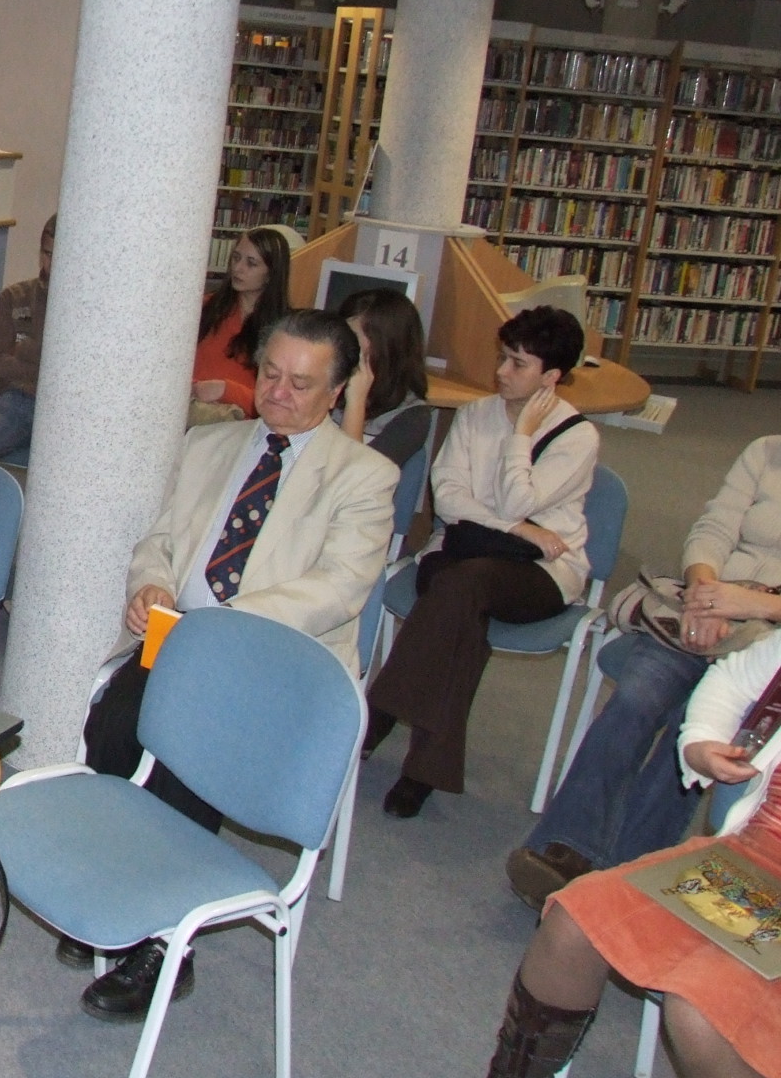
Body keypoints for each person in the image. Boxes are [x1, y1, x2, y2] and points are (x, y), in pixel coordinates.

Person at [69, 309, 397, 1018]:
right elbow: (159, 541)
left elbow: (340, 588)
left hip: (273, 659)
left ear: (337, 391)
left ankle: (166, 942)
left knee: (191, 757)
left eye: (301, 384)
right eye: (270, 374)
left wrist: (221, 627)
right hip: (179, 637)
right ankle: (118, 885)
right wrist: (150, 586)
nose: (277, 393)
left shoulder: (366, 477)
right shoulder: (209, 443)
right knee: (112, 728)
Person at [482, 630, 781, 1078]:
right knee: (575, 921)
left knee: (701, 1015)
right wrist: (701, 740)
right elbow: (733, 678)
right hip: (750, 857)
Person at [507, 436, 781, 911]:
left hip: (768, 646)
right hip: (704, 612)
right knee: (637, 696)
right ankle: (566, 847)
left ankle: (628, 875)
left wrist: (755, 604)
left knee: (693, 728)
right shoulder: (768, 451)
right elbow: (714, 529)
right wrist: (703, 595)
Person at [366, 305, 598, 819]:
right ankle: (425, 766)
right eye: (503, 357)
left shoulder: (577, 436)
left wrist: (522, 436)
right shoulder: (475, 415)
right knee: (460, 613)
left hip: (542, 572)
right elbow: (448, 499)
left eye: (518, 364)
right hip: (462, 553)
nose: (501, 371)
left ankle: (380, 710)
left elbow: (519, 498)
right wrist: (516, 529)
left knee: (458, 587)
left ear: (551, 377)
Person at [0, 213, 52, 462]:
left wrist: (24, 350)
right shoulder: (14, 297)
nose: (52, 262)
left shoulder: (90, 310)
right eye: (47, 253)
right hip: (17, 400)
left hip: (66, 408)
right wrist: (44, 360)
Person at [192, 227, 291, 419]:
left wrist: (226, 390)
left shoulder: (285, 329)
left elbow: (282, 404)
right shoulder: (205, 308)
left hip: (243, 426)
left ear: (271, 274)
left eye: (251, 263)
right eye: (236, 258)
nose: (237, 268)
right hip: (191, 414)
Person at [336, 287, 432, 467]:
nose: (341, 344)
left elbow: (352, 476)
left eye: (352, 337)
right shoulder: (330, 383)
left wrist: (356, 401)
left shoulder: (412, 417)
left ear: (385, 346)